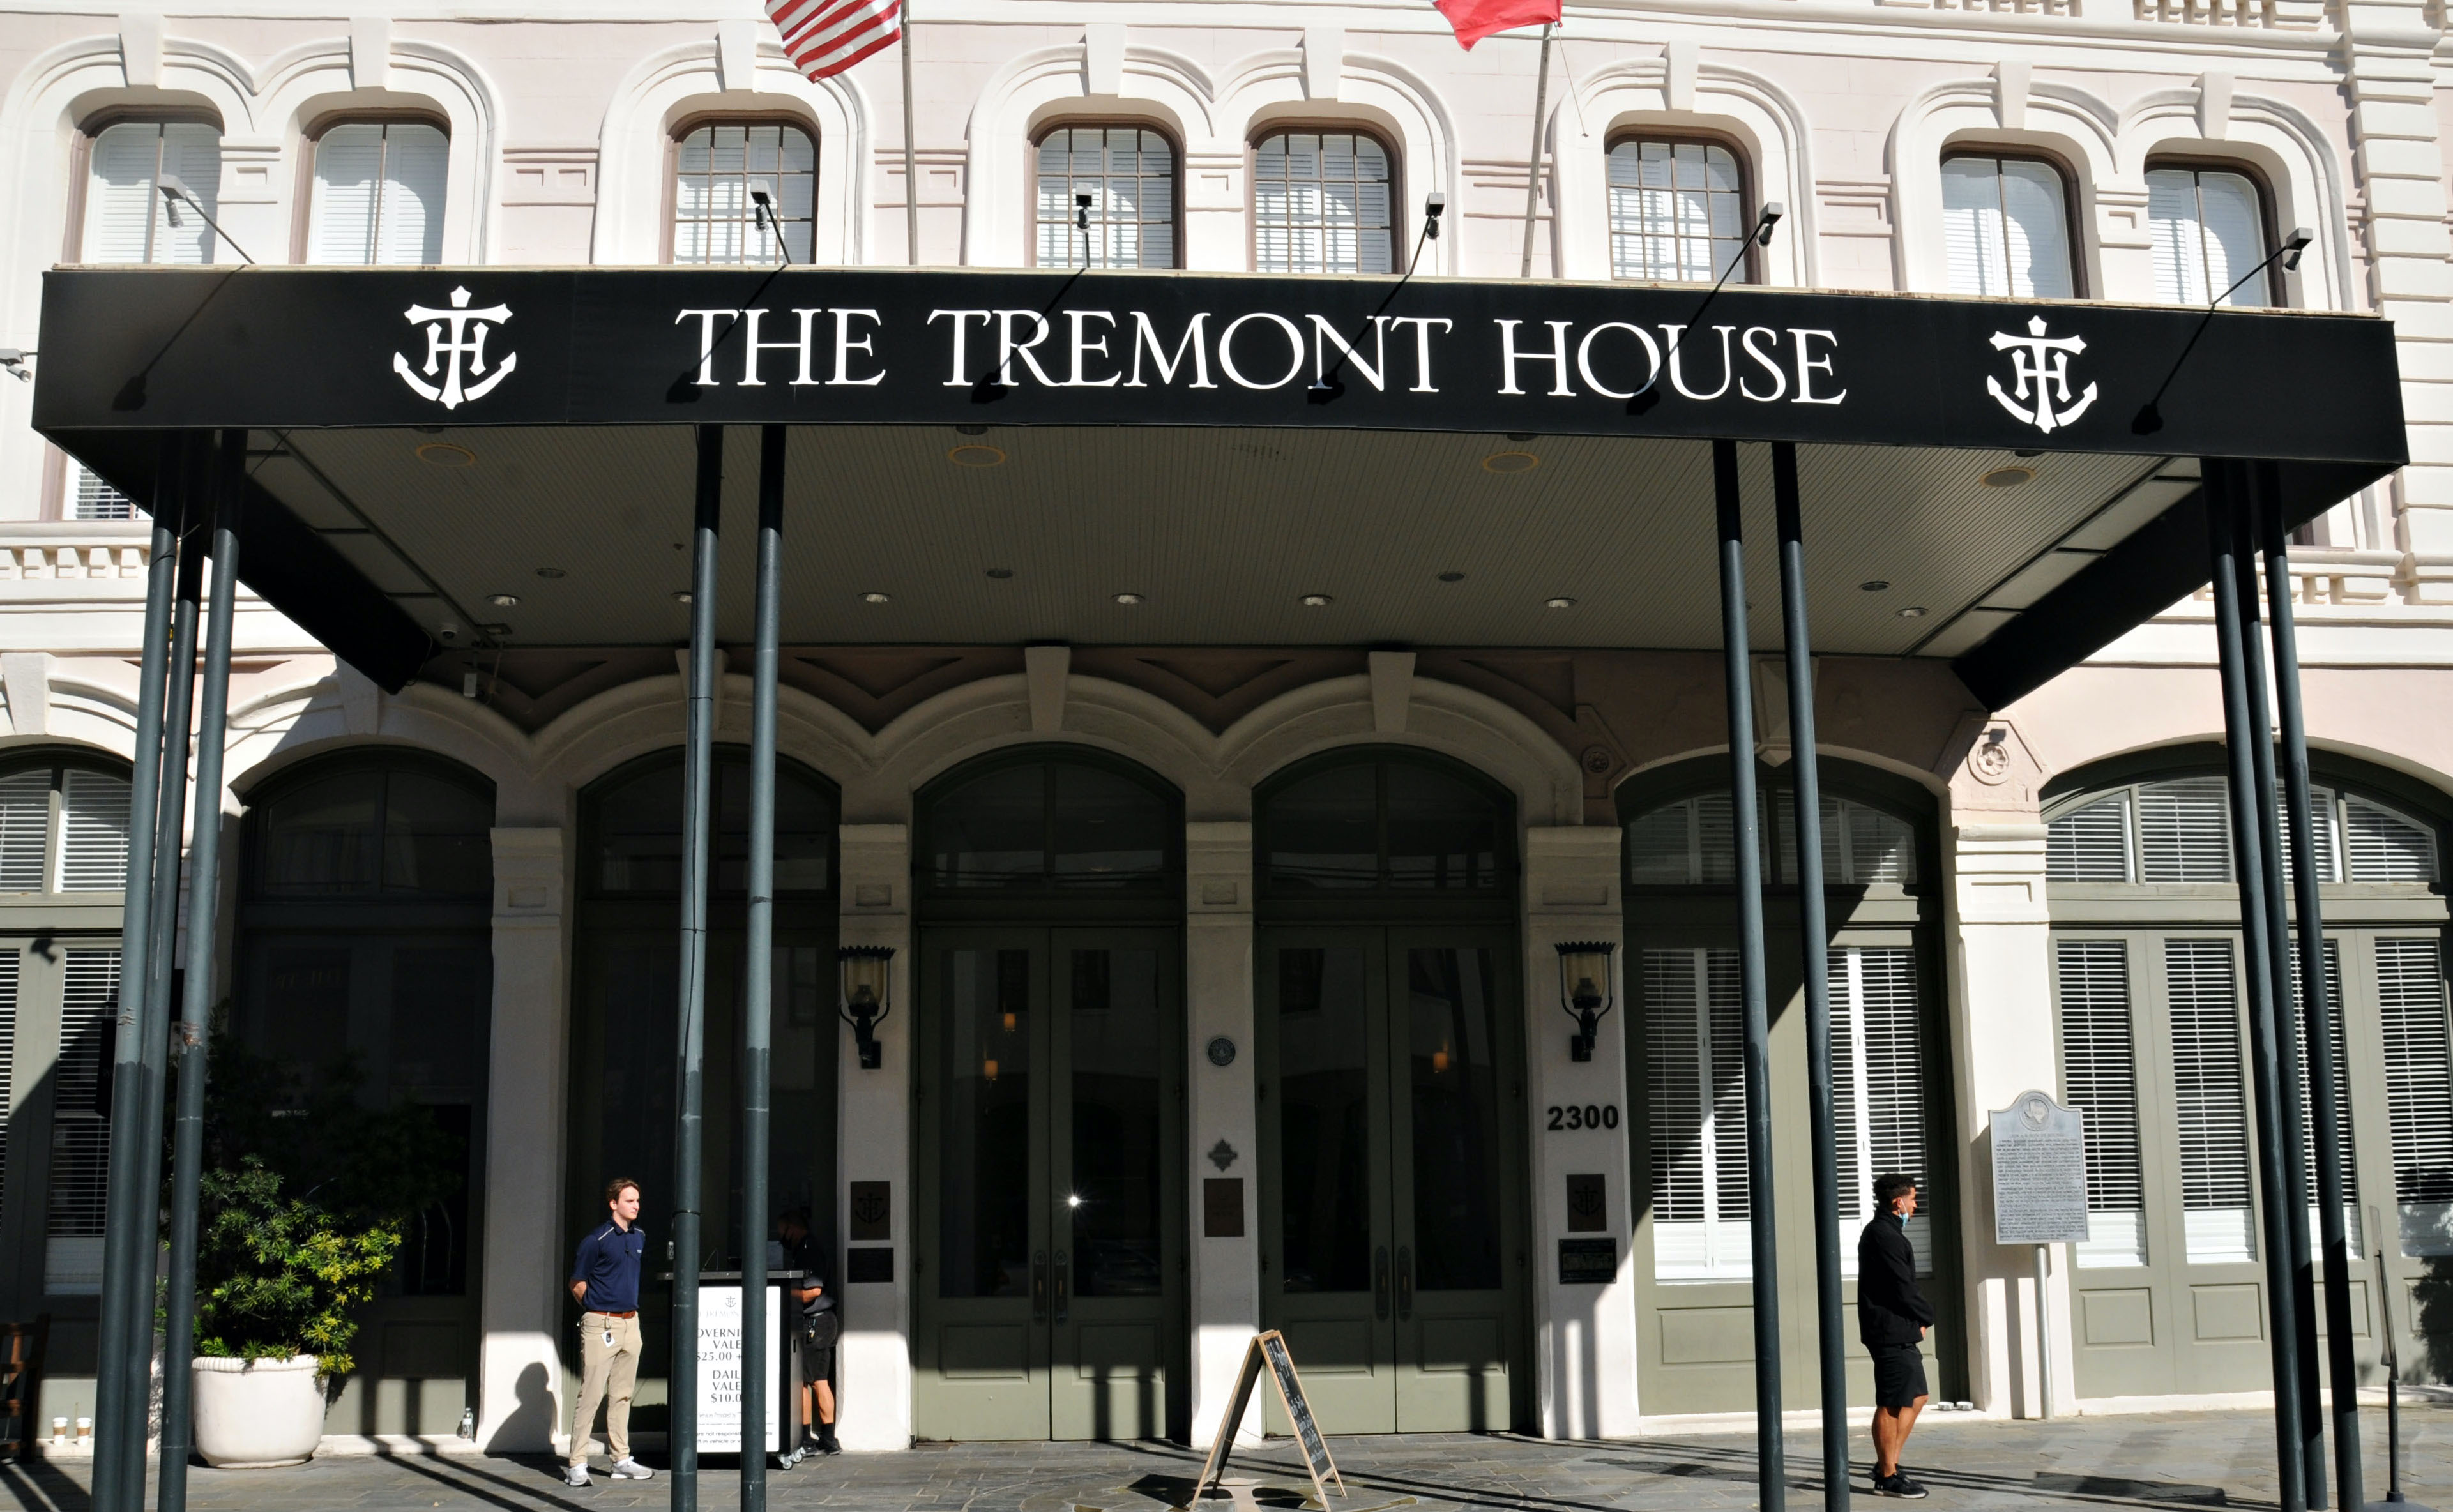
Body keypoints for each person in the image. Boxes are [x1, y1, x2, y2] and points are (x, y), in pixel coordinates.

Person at [566, 1177, 655, 1488]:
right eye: (630, 1201)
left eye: (638, 1201)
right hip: (601, 1324)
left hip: (632, 1323)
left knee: (623, 1395)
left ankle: (621, 1459)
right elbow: (577, 1282)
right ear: (614, 1203)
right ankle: (577, 1463)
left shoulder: (640, 1236)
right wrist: (595, 1308)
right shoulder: (597, 1239)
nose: (636, 1206)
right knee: (591, 1395)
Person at [1858, 1171, 1936, 1499]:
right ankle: (1888, 1476)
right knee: (1892, 1402)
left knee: (1917, 1397)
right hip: (1889, 1330)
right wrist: (1927, 1315)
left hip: (1898, 1328)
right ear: (1898, 1202)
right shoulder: (1882, 1235)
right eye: (1913, 1199)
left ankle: (1886, 1463)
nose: (1915, 1206)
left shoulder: (1889, 1232)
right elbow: (1901, 1286)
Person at [773, 1206, 840, 1459]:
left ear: (794, 1227)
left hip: (816, 1323)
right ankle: (827, 1438)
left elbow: (813, 1291)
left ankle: (806, 1439)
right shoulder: (808, 1248)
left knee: (806, 1381)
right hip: (823, 1323)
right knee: (818, 1379)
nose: (782, 1238)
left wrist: (785, 1295)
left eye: (783, 1232)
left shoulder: (808, 1250)